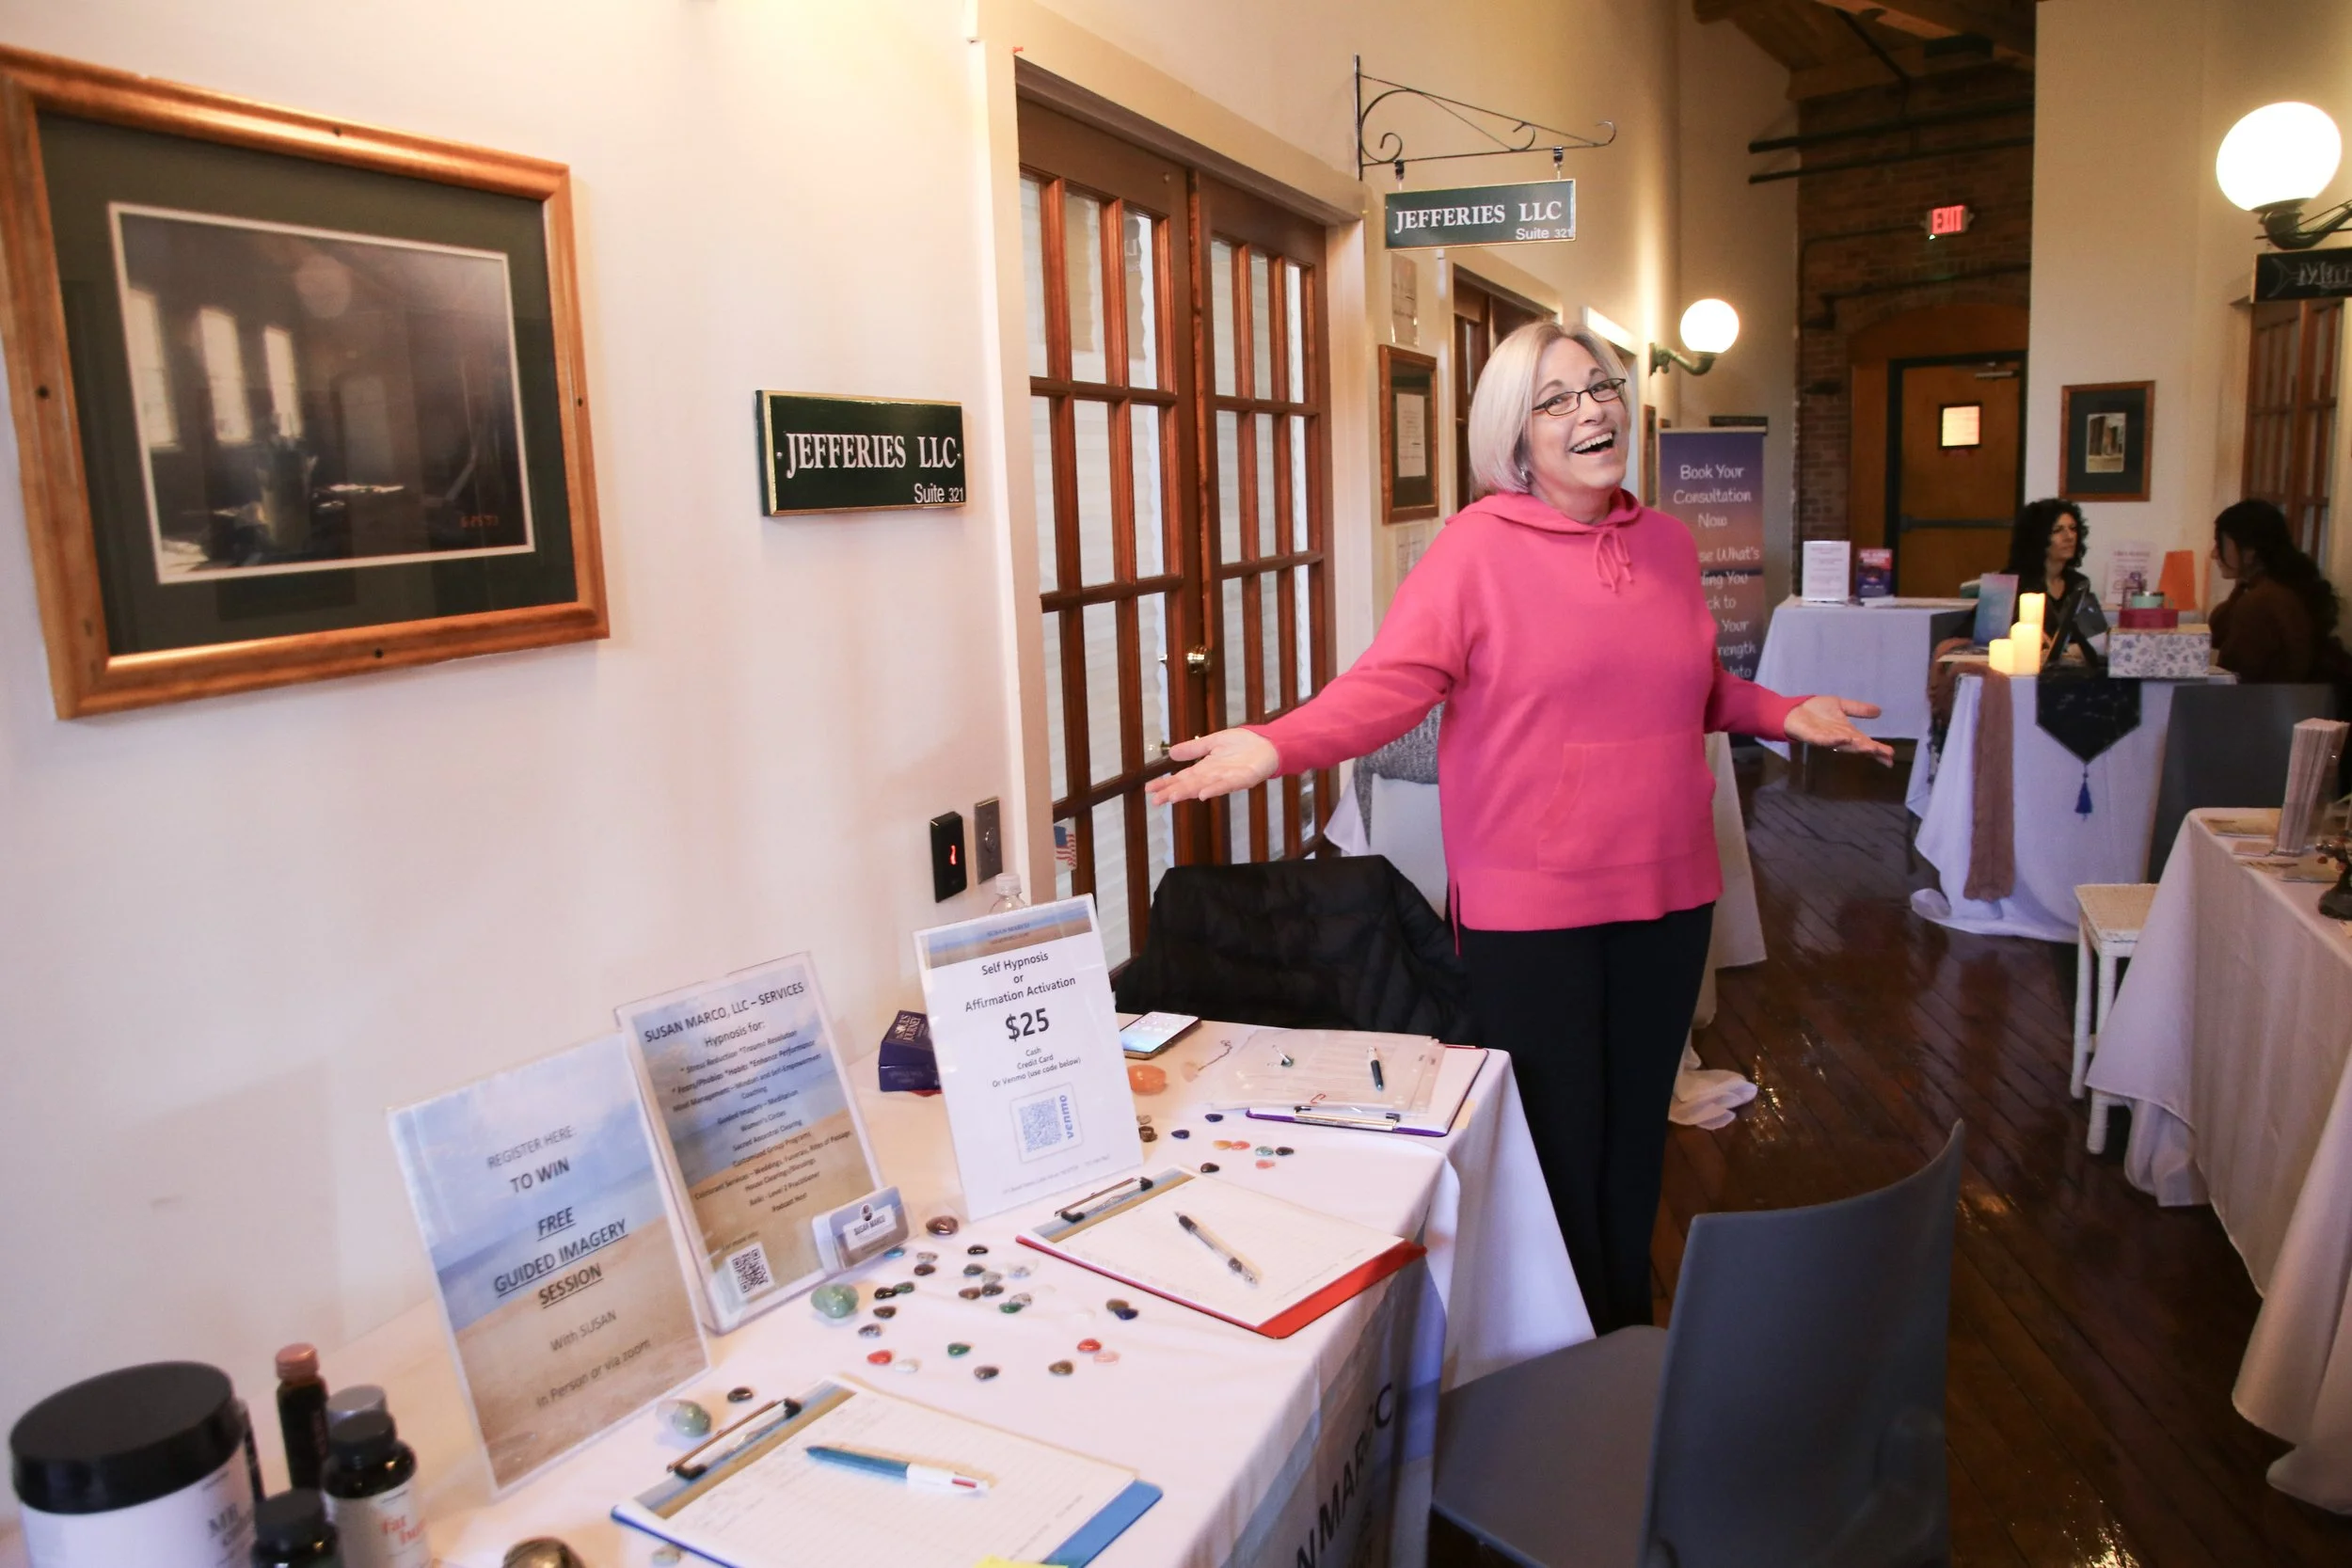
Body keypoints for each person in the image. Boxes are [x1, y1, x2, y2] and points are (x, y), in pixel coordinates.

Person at [1146, 321, 1891, 1333]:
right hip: (1531, 906)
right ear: (1515, 435)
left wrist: (1778, 709)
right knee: (1551, 1142)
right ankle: (1553, 1353)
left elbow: (1691, 683)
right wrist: (1279, 743)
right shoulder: (1475, 552)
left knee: (1634, 1137)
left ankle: (1622, 1332)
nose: (1590, 410)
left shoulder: (1667, 543)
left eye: (1600, 387)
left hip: (1670, 891)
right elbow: (1390, 687)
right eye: (1556, 399)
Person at [2208, 498, 2343, 684]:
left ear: (2249, 552)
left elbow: (2234, 673)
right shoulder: (2278, 587)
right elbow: (2216, 633)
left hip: (2266, 707)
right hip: (2291, 704)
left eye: (2219, 543)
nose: (2214, 553)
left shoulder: (2261, 601)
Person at [2001, 497, 2090, 607]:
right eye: (2057, 530)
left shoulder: (2078, 584)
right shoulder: (2010, 584)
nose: (2069, 536)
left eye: (2073, 528)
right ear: (2037, 537)